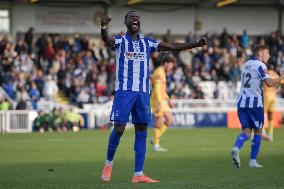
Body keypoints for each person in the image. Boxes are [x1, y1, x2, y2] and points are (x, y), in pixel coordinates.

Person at [100, 11, 207, 183]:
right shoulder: (121, 41)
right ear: (126, 22)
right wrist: (104, 27)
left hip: (143, 93)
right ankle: (108, 164)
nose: (135, 19)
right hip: (124, 92)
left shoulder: (147, 42)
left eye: (138, 18)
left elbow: (171, 47)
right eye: (132, 17)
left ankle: (138, 174)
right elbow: (107, 40)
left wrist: (195, 44)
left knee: (141, 129)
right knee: (119, 128)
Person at [230, 45, 284, 168]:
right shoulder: (261, 65)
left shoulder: (246, 64)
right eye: (267, 53)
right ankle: (252, 161)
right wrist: (281, 77)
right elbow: (269, 83)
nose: (269, 56)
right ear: (260, 53)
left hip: (242, 102)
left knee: (247, 132)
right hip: (254, 103)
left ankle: (236, 147)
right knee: (258, 131)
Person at [150, 55, 175, 152]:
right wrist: (160, 102)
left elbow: (162, 89)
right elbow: (156, 89)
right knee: (159, 121)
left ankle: (155, 138)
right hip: (157, 100)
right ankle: (156, 145)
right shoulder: (159, 73)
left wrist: (168, 100)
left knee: (170, 119)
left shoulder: (163, 72)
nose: (171, 68)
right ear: (165, 64)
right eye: (170, 66)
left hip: (162, 100)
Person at [262, 65, 283, 142]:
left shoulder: (265, 73)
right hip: (273, 95)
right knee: (270, 116)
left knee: (262, 114)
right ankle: (270, 135)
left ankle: (263, 131)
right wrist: (278, 90)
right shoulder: (275, 74)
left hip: (266, 94)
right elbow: (282, 82)